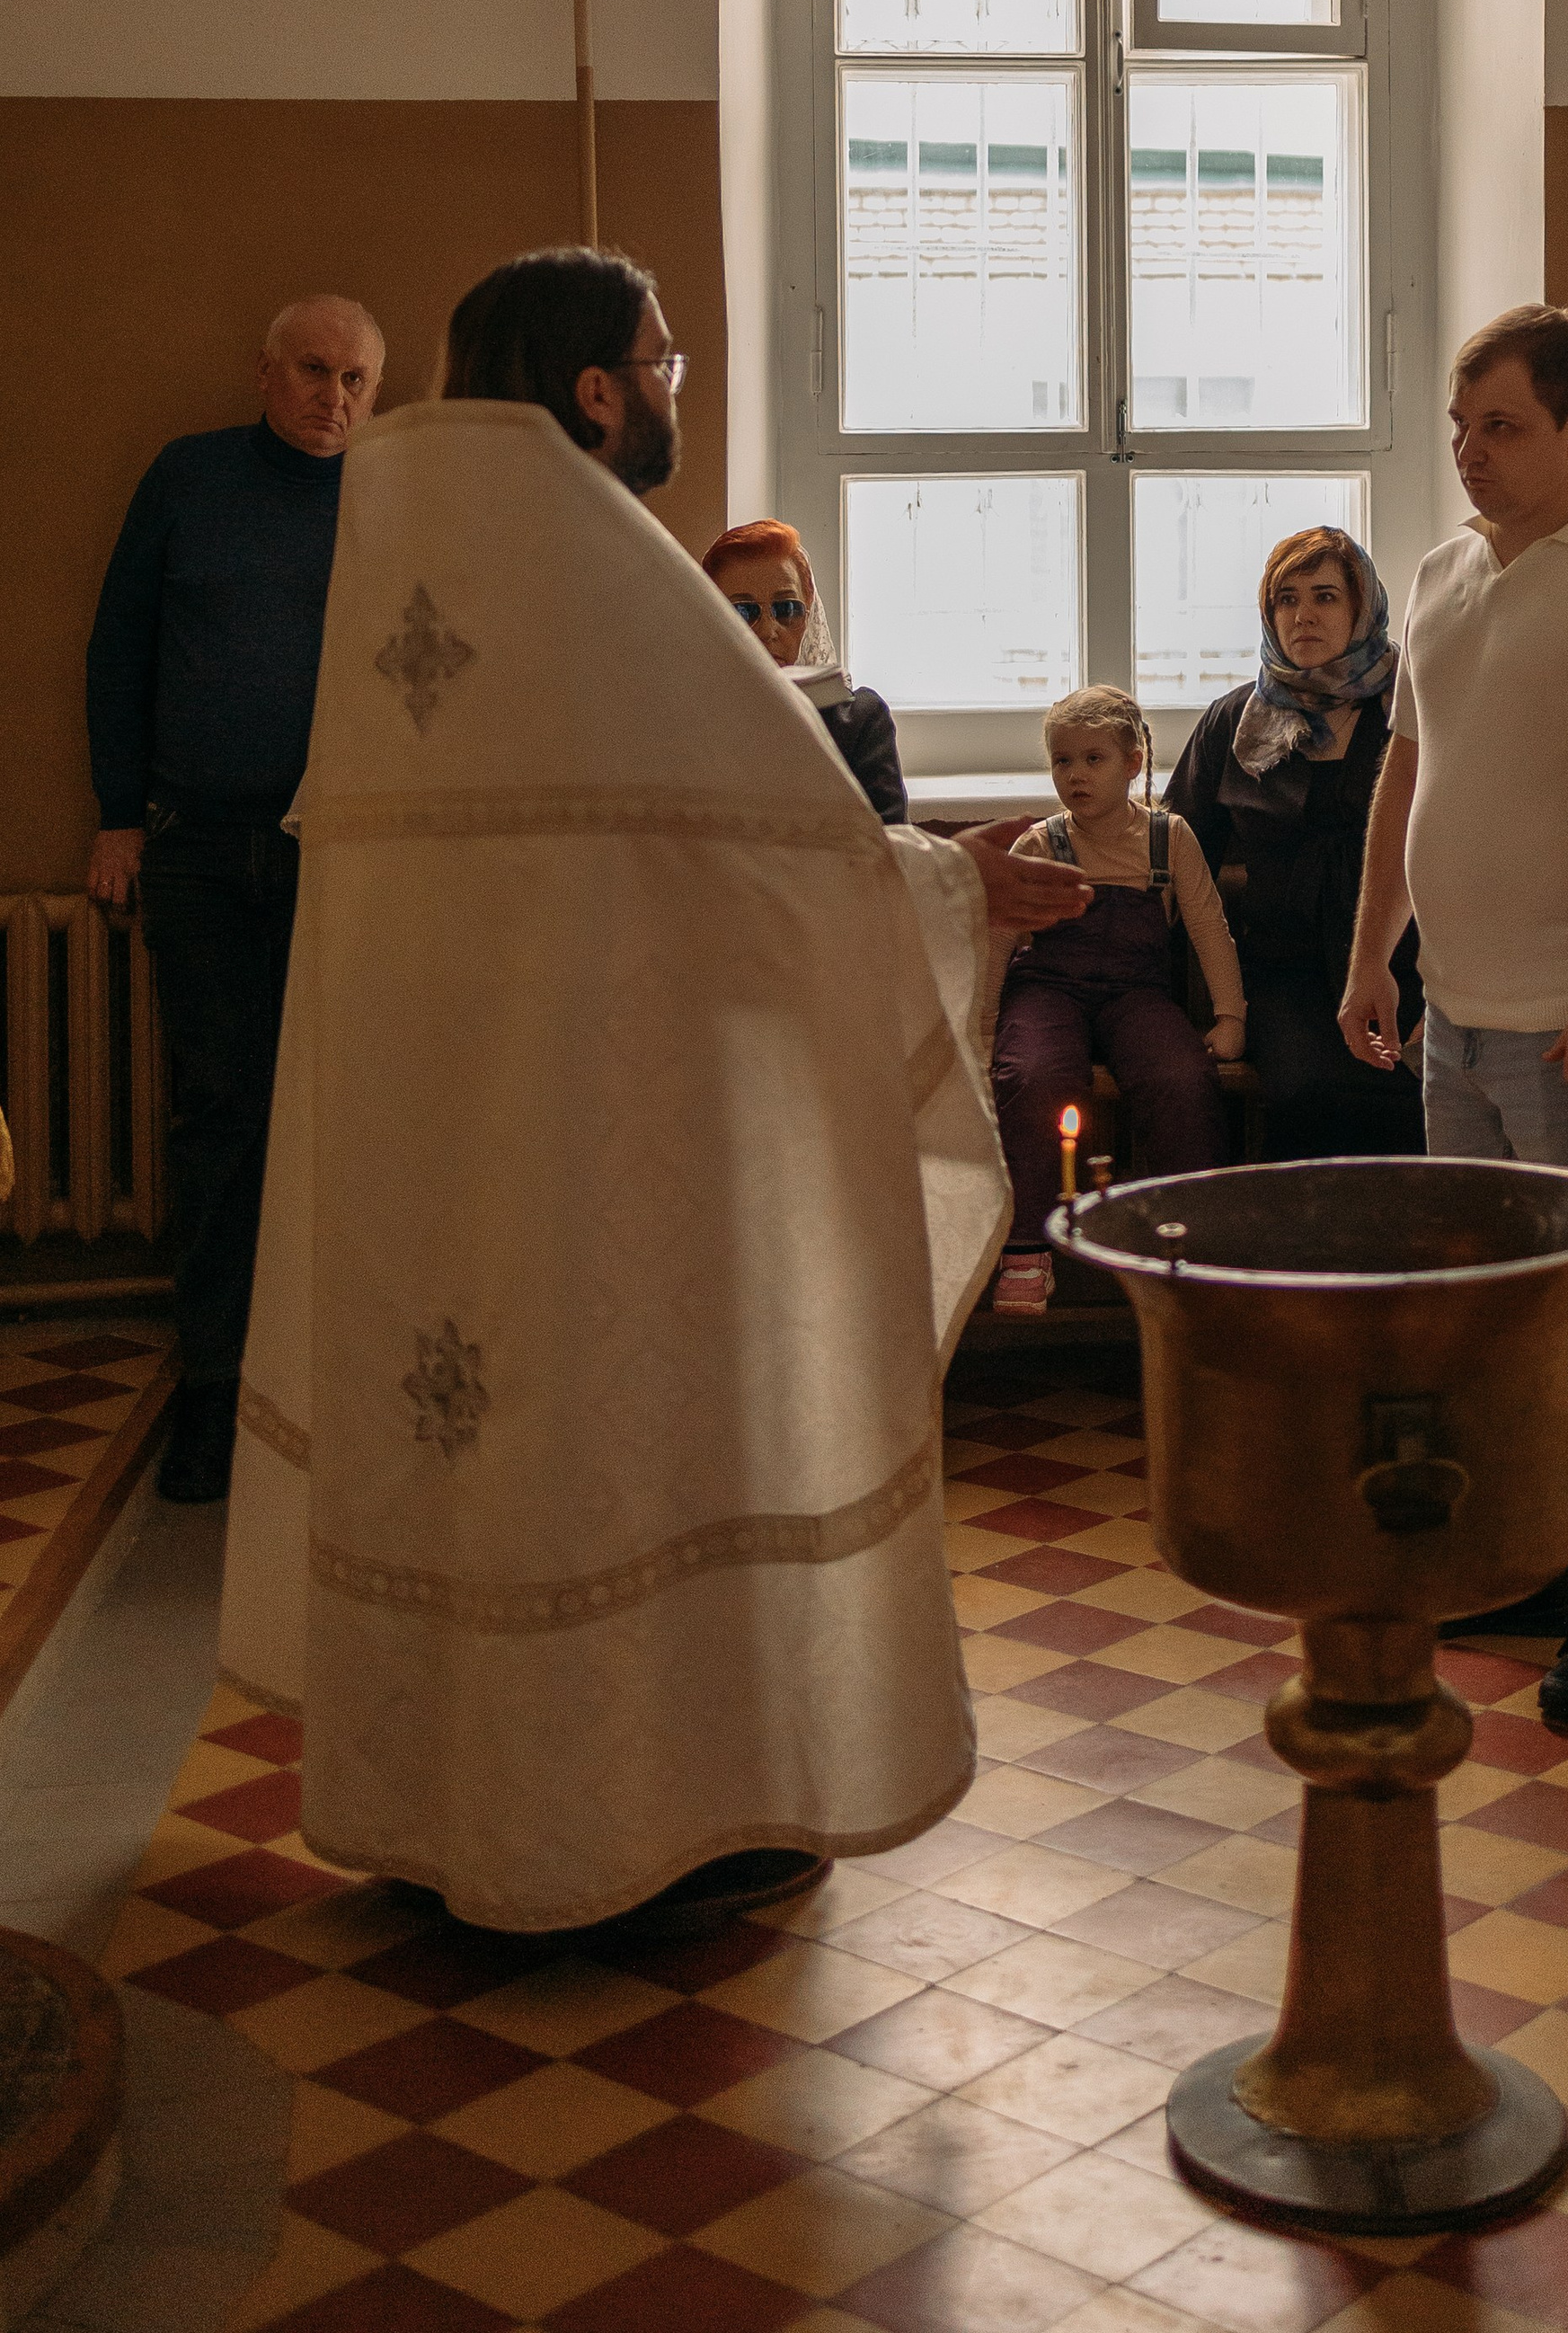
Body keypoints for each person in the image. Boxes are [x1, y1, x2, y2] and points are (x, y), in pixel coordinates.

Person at [218, 245, 1084, 1933]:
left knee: (466, 1441)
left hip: (445, 1136)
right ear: (597, 388)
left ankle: (438, 1799)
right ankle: (631, 1818)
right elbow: (781, 855)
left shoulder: (418, 550)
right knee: (628, 1442)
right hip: (609, 1141)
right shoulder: (607, 569)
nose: (676, 385)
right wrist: (958, 890)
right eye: (664, 361)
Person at [1340, 305, 1568, 1727]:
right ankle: (1529, 1561)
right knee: (1495, 1318)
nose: (1470, 452)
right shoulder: (1437, 573)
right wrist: (1378, 959)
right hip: (1457, 1018)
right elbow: (1404, 785)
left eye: (1502, 428)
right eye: (1459, 425)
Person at [85, 295, 386, 1504]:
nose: (337, 398)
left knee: (348, 1121)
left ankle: (336, 1395)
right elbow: (119, 648)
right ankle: (212, 1390)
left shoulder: (393, 495)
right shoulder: (188, 479)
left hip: (348, 851)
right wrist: (117, 812)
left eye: (359, 380)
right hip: (200, 845)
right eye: (315, 371)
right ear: (267, 372)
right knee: (224, 1120)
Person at [1164, 526, 1425, 1162]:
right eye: (1286, 598)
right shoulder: (1235, 719)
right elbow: (1175, 850)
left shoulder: (1410, 708)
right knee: (1308, 1092)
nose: (1303, 614)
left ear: (1363, 607)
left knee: (1411, 1095)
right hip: (1288, 972)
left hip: (1401, 962)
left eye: (1326, 596)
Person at [992, 685, 1245, 1317]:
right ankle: (1026, 1252)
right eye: (1062, 761)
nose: (1074, 775)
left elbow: (1210, 926)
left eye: (1093, 759)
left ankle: (1187, 1249)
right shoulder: (1040, 843)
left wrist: (1230, 1016)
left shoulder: (1168, 838)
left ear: (1133, 762)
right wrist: (980, 1026)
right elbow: (998, 940)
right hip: (1050, 988)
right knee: (1033, 1075)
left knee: (1182, 1077)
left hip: (1137, 993)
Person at [703, 519, 907, 825]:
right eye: (743, 611)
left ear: (808, 613)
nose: (769, 631)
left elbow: (890, 846)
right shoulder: (688, 718)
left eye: (786, 609)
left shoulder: (859, 721)